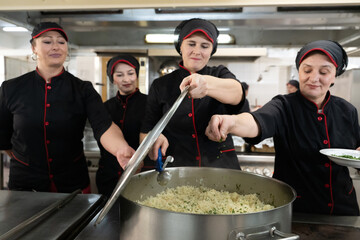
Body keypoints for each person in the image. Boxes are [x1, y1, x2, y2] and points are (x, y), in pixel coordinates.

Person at [205, 40, 360, 216]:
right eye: (307, 70)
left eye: (324, 72)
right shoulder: (283, 106)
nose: (314, 78)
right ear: (299, 71)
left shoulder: (347, 111)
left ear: (335, 75)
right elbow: (257, 121)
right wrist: (231, 122)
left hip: (344, 210)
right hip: (296, 211)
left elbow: (356, 150)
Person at [0, 22, 134, 193]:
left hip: (72, 183)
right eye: (47, 42)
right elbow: (4, 138)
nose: (56, 46)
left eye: (61, 42)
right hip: (25, 185)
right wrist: (28, 160)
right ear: (34, 48)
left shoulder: (83, 89)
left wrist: (120, 148)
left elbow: (104, 125)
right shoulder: (11, 88)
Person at [140, 18, 244, 169]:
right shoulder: (161, 85)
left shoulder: (219, 73)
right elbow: (146, 130)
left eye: (205, 46)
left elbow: (236, 92)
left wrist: (206, 84)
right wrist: (152, 139)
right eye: (191, 44)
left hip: (219, 167)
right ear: (180, 46)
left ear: (211, 51)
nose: (197, 51)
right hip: (178, 169)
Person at [96, 55, 153, 198]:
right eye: (119, 75)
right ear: (112, 78)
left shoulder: (150, 104)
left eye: (130, 73)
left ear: (137, 75)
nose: (126, 79)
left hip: (141, 175)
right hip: (109, 177)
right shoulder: (105, 108)